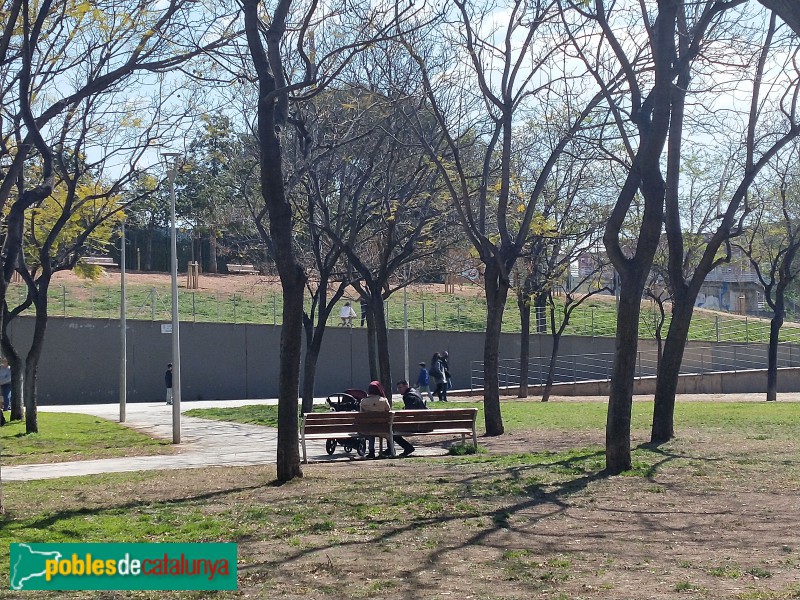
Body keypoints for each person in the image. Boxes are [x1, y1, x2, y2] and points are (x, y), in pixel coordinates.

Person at [393, 380, 427, 457]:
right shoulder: (416, 392)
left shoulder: (409, 396)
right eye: (398, 388)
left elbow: (409, 413)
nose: (399, 390)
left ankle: (407, 448)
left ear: (406, 386)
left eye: (400, 387)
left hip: (416, 426)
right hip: (423, 424)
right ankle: (405, 448)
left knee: (391, 430)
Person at [360, 380, 391, 458]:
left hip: (369, 428)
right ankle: (390, 449)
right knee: (387, 426)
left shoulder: (364, 401)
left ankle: (371, 451)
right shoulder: (384, 400)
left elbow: (361, 414)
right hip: (383, 427)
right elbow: (388, 410)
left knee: (371, 427)